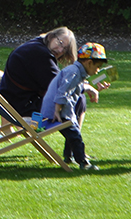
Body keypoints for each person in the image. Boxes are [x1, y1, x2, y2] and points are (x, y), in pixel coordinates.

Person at [40, 43, 110, 171]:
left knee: (72, 132)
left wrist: (92, 89)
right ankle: (83, 162)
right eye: (98, 66)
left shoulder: (75, 71)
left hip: (61, 110)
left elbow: (76, 87)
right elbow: (63, 91)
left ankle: (69, 156)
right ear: (89, 63)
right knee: (75, 136)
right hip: (57, 111)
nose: (98, 70)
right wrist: (57, 110)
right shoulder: (74, 72)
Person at [0, 26, 77, 118]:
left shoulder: (36, 44)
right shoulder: (41, 54)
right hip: (21, 106)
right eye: (60, 43)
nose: (60, 50)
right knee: (75, 99)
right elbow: (59, 85)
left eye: (65, 49)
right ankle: (74, 127)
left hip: (10, 98)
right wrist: (82, 86)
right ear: (51, 37)